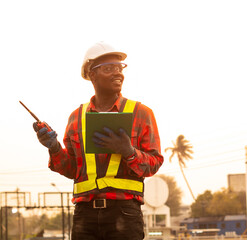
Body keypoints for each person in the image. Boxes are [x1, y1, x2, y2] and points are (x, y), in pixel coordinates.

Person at [33, 42, 164, 239]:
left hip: (125, 213)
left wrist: (128, 151)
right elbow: (71, 169)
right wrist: (54, 148)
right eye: (109, 68)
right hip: (84, 216)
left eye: (120, 68)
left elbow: (154, 164)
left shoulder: (141, 113)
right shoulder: (76, 117)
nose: (118, 73)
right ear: (92, 74)